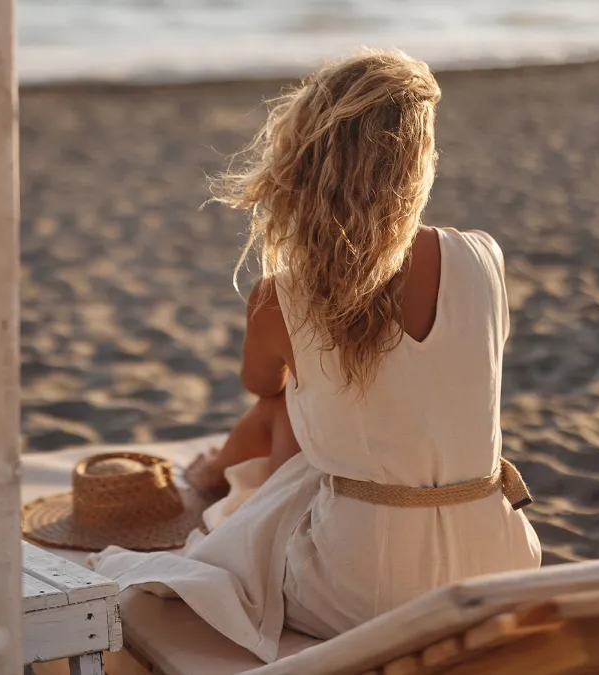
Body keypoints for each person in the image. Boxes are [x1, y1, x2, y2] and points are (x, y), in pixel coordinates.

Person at [89, 48, 541, 663]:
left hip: (361, 590)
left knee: (284, 400)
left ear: (310, 165)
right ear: (416, 163)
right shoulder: (483, 257)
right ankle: (211, 473)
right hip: (499, 560)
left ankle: (208, 474)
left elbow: (260, 382)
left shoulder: (283, 295)